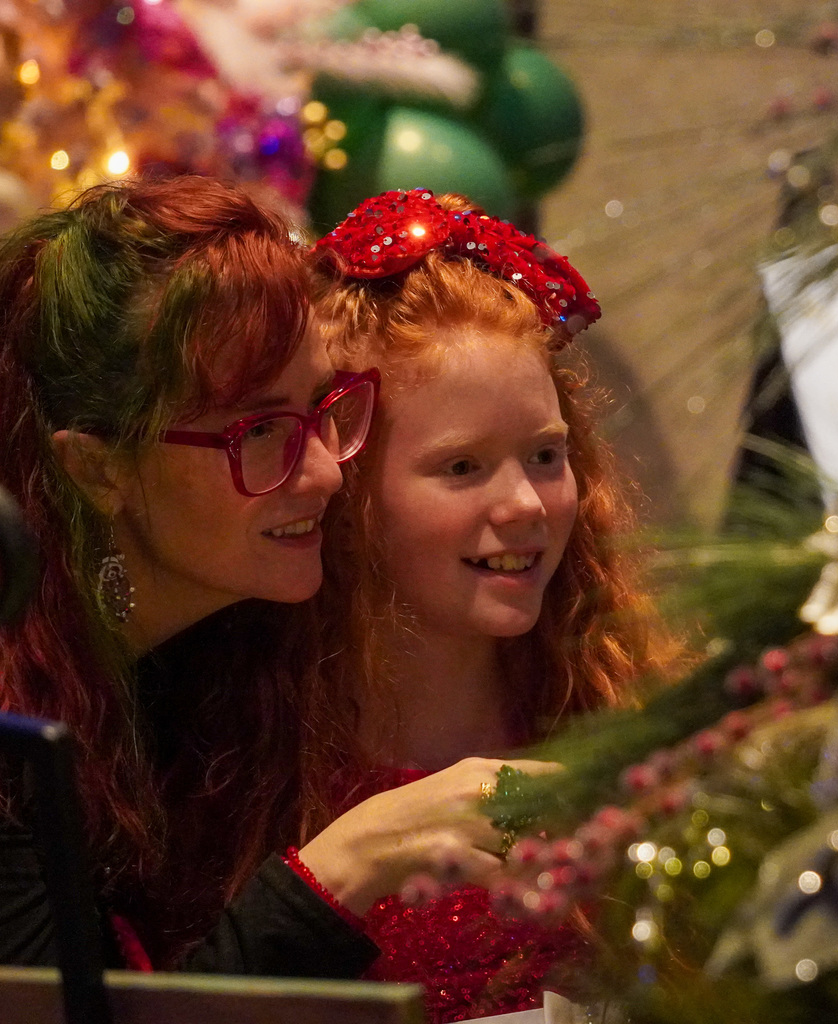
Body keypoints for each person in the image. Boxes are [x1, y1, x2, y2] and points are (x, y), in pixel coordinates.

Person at [0, 175, 546, 975]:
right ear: (97, 467)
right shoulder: (14, 744)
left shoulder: (216, 664)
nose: (326, 472)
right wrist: (344, 867)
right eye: (259, 432)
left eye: (323, 408)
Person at [315, 189, 683, 1022]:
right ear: (349, 491)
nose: (526, 503)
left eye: (546, 455)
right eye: (462, 468)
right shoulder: (247, 757)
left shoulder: (625, 709)